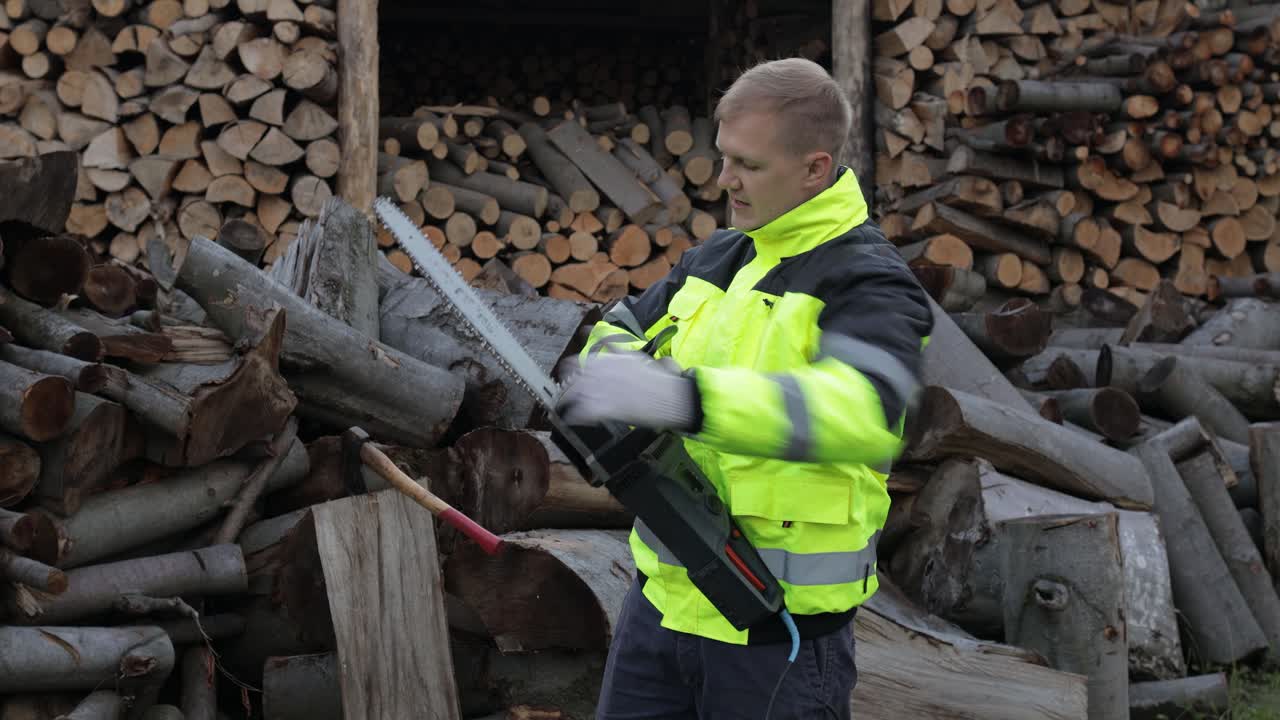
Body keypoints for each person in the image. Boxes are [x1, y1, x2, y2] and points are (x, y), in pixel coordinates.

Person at [556, 56, 934, 719]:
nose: (723, 180)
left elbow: (865, 410)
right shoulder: (719, 258)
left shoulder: (867, 281)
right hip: (663, 607)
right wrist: (615, 376)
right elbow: (616, 329)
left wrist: (684, 399)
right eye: (724, 157)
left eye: (747, 165)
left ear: (815, 168)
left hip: (777, 637)